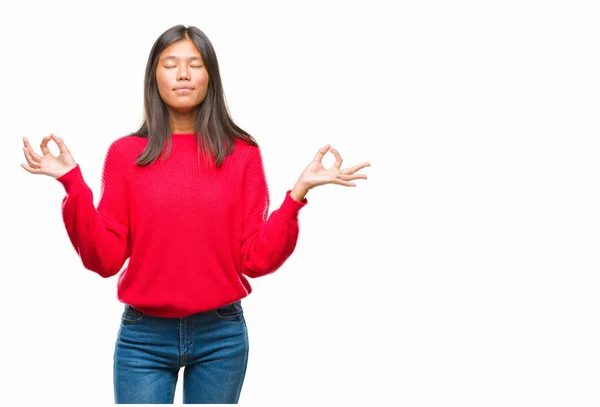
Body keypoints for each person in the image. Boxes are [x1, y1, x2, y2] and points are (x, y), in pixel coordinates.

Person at [20, 24, 370, 404]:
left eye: (194, 64)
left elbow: (255, 259)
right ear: (154, 76)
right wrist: (74, 184)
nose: (183, 74)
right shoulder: (125, 155)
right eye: (170, 64)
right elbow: (104, 259)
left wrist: (297, 194)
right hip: (143, 337)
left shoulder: (242, 153)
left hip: (221, 335)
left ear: (210, 76)